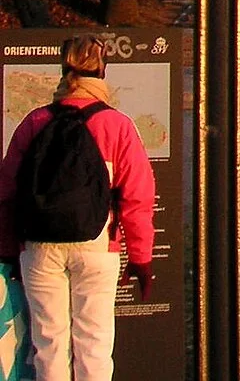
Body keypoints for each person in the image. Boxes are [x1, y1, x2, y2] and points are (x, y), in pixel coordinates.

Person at [0, 36, 156, 381]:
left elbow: (7, 190)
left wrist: (9, 249)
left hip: (39, 248)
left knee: (49, 346)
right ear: (102, 71)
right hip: (98, 247)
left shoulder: (35, 122)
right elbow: (137, 198)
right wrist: (141, 259)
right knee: (95, 348)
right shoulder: (117, 125)